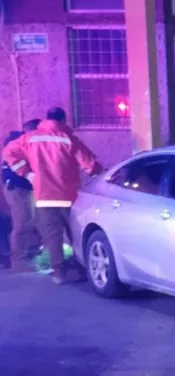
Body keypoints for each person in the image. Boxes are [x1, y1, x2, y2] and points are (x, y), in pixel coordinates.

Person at [2, 107, 103, 284]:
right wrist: (100, 174)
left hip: (43, 196)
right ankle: (80, 270)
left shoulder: (30, 138)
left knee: (52, 236)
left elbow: (8, 153)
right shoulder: (68, 138)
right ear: (63, 120)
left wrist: (27, 174)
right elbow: (89, 164)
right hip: (68, 195)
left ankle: (59, 273)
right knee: (74, 234)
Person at [2, 128, 42, 272]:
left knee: (31, 222)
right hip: (17, 189)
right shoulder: (13, 149)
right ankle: (18, 261)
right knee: (22, 223)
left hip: (23, 189)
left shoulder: (17, 147)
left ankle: (25, 256)